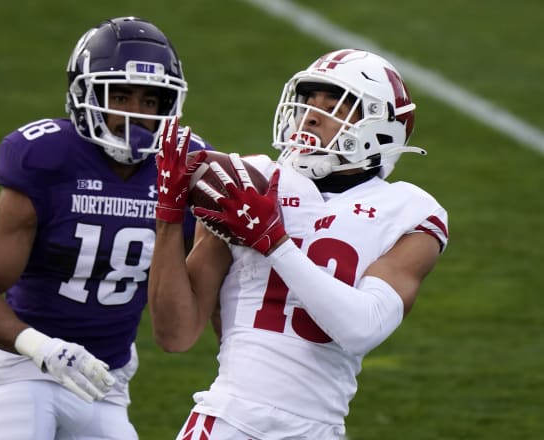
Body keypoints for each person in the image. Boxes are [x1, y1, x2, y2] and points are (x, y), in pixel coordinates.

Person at [149, 49, 449, 439]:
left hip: (318, 428)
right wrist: (169, 220)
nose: (310, 114)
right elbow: (175, 334)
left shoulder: (407, 210)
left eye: (335, 105)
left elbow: (363, 328)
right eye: (308, 101)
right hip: (228, 418)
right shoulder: (248, 183)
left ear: (380, 126)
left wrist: (275, 244)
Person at [0, 17, 212, 439]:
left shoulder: (188, 168)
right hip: (22, 363)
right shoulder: (47, 157)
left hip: (106, 378)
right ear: (87, 94)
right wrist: (41, 348)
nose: (135, 114)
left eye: (151, 101)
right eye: (121, 95)